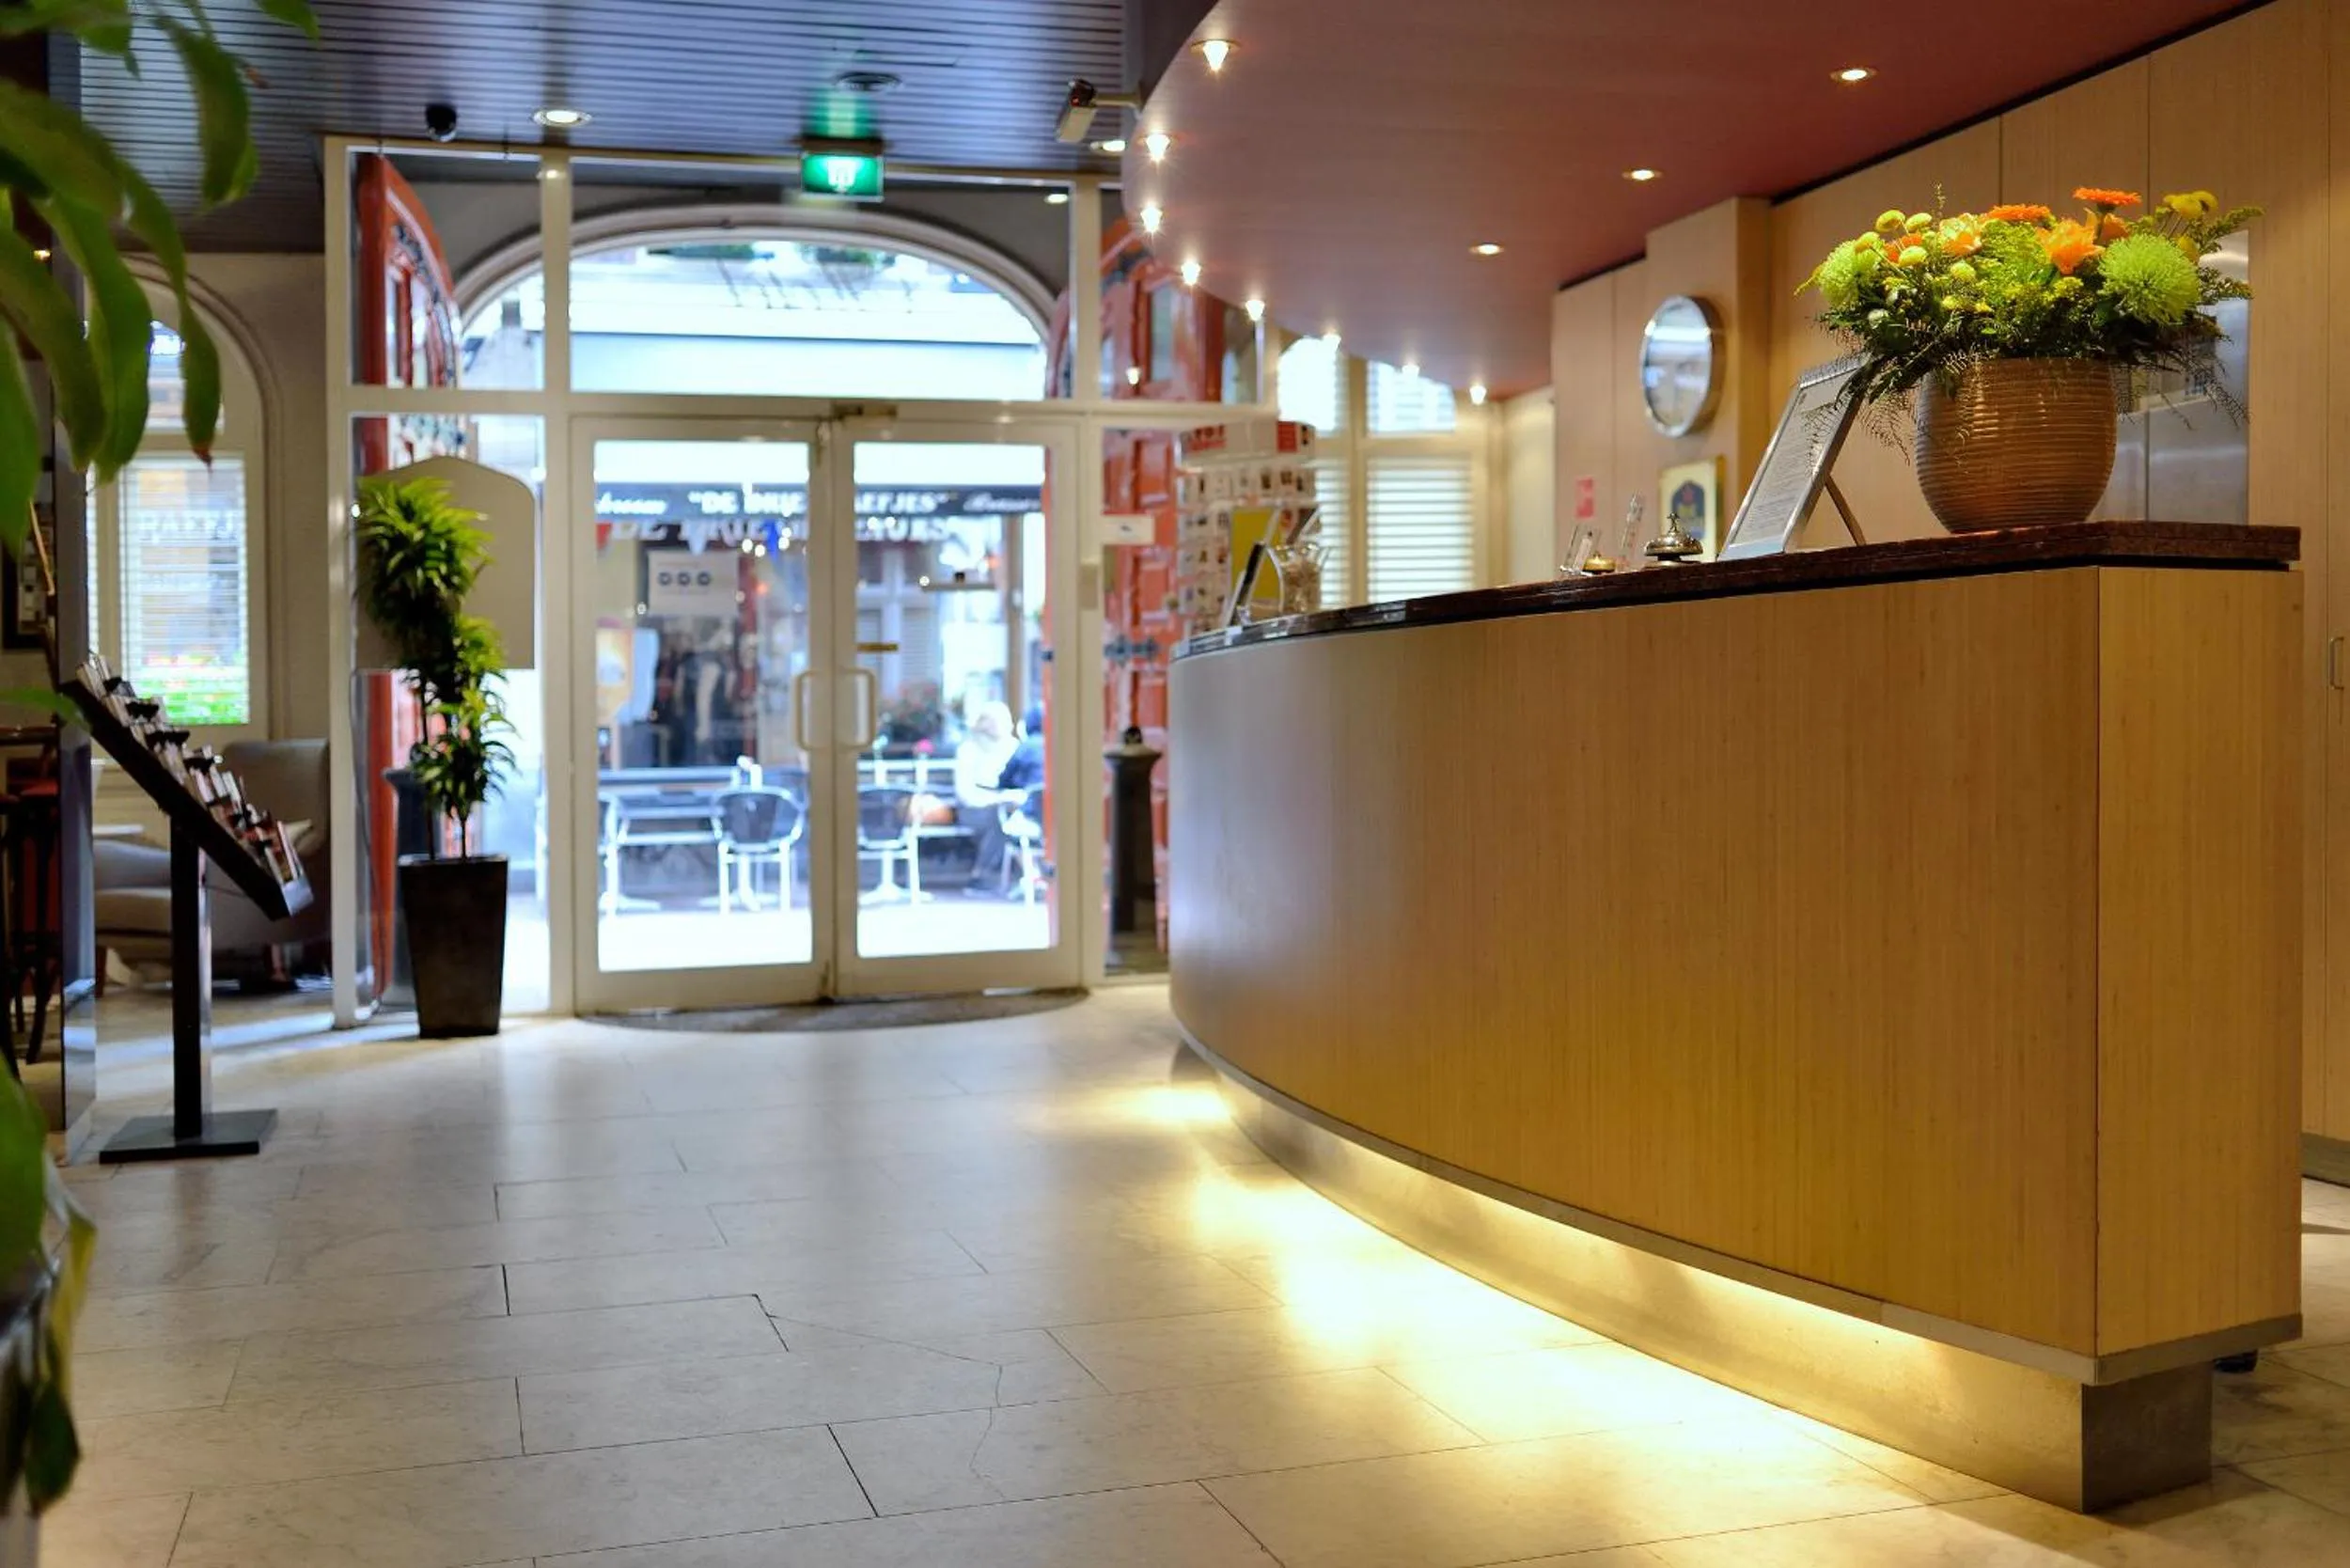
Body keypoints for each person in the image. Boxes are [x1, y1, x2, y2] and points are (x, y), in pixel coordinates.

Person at [953, 701, 1018, 882]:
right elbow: (964, 792)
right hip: (974, 808)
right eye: (995, 721)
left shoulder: (1014, 747)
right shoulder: (968, 749)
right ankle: (982, 874)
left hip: (1010, 803)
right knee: (998, 818)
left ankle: (1031, 873)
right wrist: (995, 800)